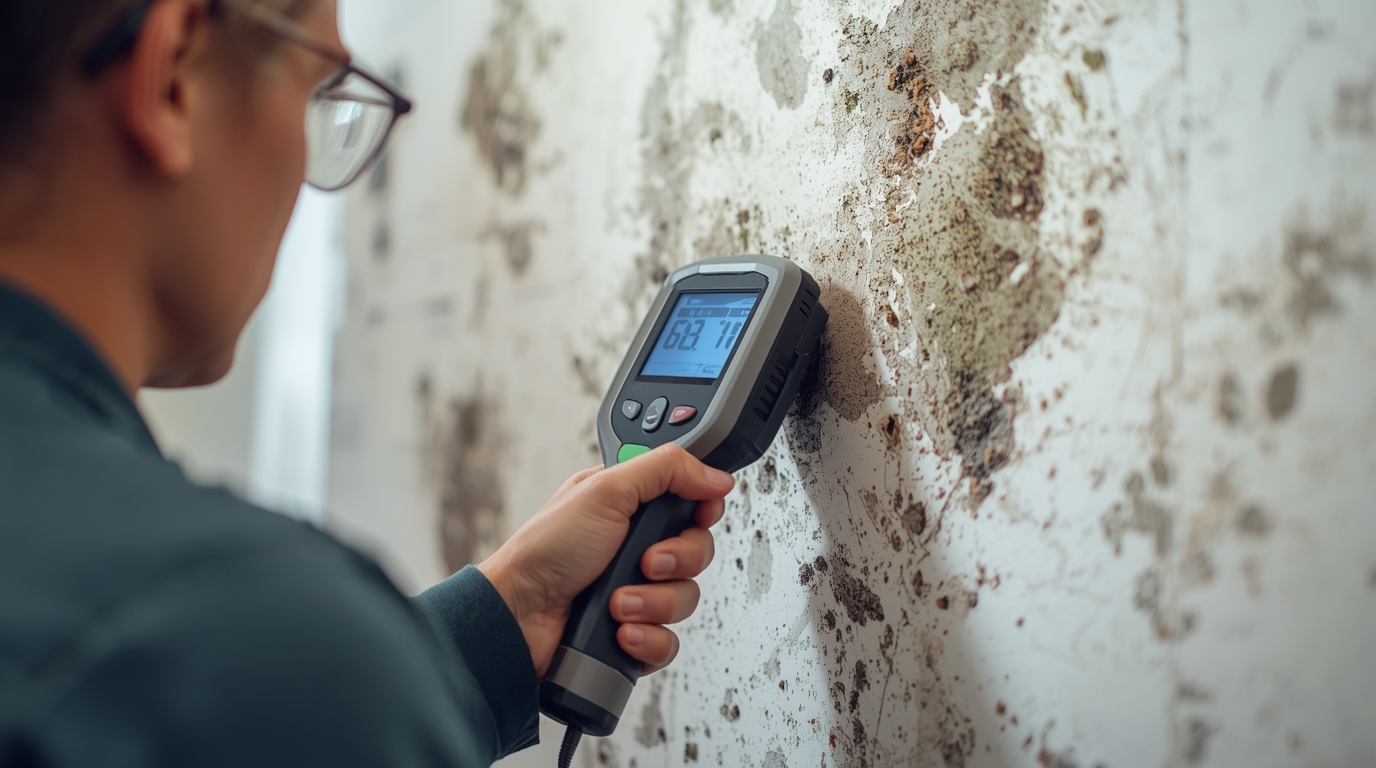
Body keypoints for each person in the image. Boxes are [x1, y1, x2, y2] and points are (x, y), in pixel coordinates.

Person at [0, 0, 733, 765]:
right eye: (321, 89)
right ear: (175, 76)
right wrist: (362, 672)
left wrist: (502, 613)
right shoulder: (222, 636)